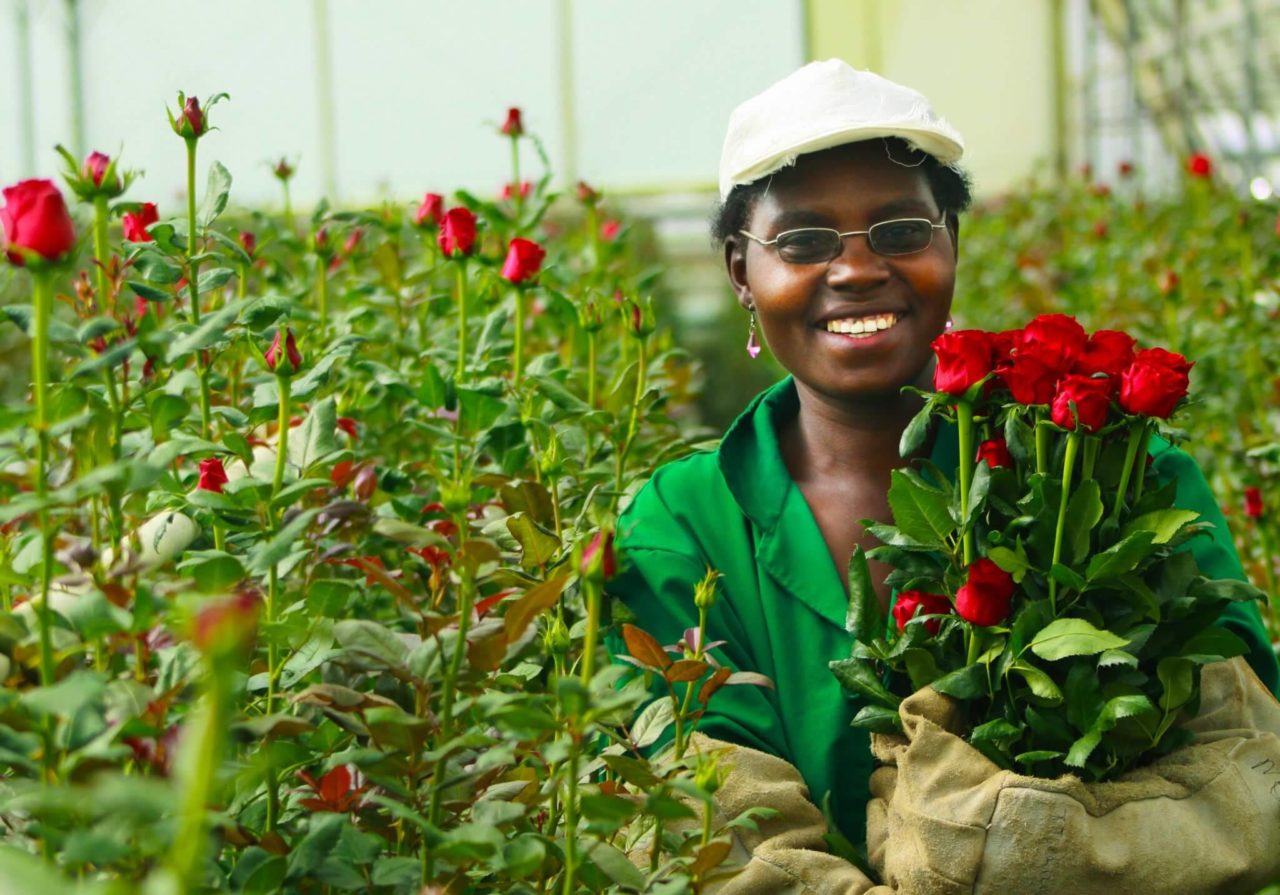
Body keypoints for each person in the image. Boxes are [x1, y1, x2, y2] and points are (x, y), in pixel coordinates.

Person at [606, 60, 1280, 892]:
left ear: (951, 244)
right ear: (741, 272)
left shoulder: (1116, 476)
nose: (855, 270)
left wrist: (1025, 849)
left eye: (899, 230)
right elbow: (703, 823)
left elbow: (1240, 761)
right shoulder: (681, 526)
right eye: (803, 241)